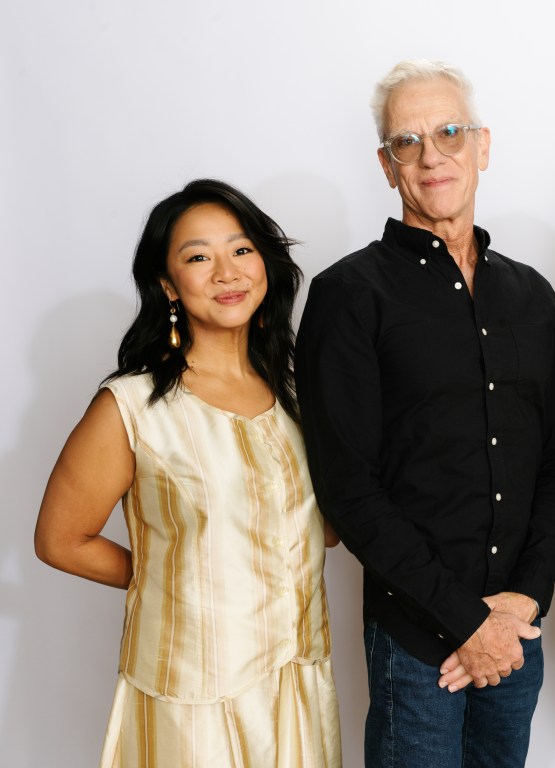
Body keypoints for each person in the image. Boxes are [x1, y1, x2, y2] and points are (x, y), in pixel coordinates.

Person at [295, 60, 555, 768]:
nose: (431, 155)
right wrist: (465, 622)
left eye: (450, 131)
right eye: (407, 141)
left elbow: (554, 462)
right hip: (418, 639)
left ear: (483, 145)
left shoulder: (533, 297)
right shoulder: (348, 296)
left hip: (517, 631)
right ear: (387, 166)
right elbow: (347, 488)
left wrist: (524, 602)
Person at [34, 179, 341, 768]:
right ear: (168, 285)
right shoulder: (133, 406)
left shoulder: (299, 396)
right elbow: (60, 540)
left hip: (297, 678)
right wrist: (174, 585)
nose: (227, 271)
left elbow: (324, 530)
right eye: (199, 257)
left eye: (241, 249)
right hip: (193, 690)